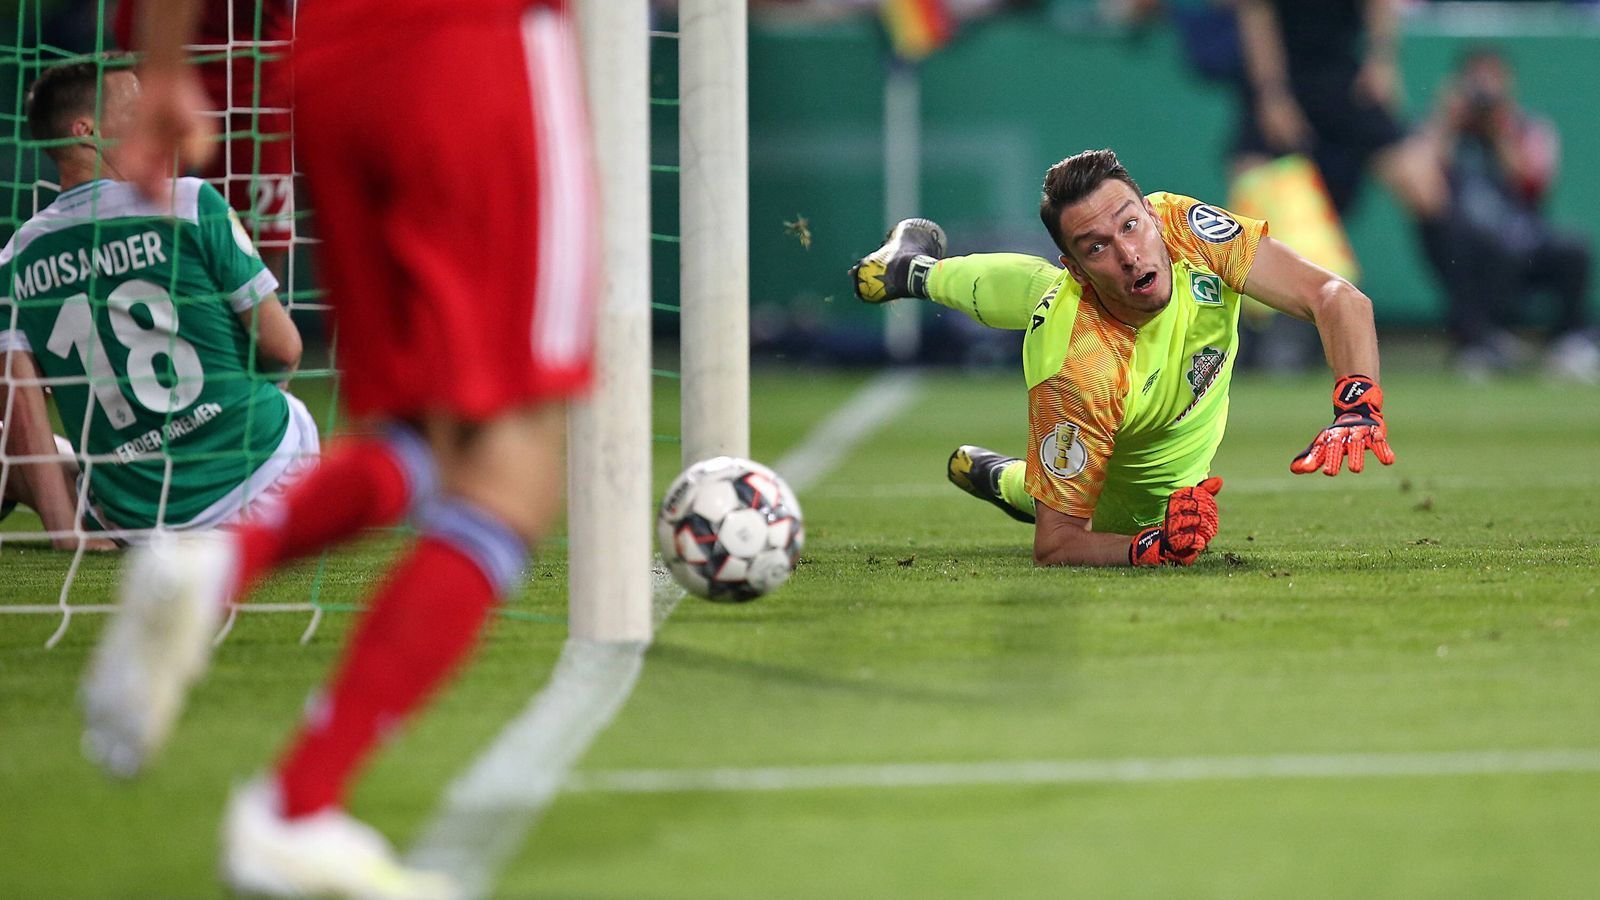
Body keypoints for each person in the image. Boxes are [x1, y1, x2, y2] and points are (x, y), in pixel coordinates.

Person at [79, 0, 597, 897]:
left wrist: (163, 67)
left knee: (421, 436)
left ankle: (211, 568)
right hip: (477, 48)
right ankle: (296, 804)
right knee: (511, 471)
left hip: (328, 62)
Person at [852, 148, 1394, 567]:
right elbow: (1057, 544)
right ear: (1079, 266)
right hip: (1133, 483)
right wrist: (1150, 545)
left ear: (1150, 213)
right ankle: (1007, 480)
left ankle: (913, 270)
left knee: (1044, 289)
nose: (1130, 254)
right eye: (1097, 247)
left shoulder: (1185, 227)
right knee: (1071, 486)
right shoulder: (1076, 371)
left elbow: (1336, 297)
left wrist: (1358, 400)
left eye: (1131, 224)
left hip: (1116, 364)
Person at [1, 59, 308, 550]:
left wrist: (64, 533)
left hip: (139, 522)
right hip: (272, 482)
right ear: (87, 131)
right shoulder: (187, 202)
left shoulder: (14, 260)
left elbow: (21, 412)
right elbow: (284, 350)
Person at [1231, 0, 1464, 370]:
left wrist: (1382, 60)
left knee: (1424, 186)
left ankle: (1474, 330)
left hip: (1344, 79)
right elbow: (1255, 16)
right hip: (1280, 82)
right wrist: (1272, 95)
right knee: (1251, 196)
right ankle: (1253, 339)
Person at [1423, 47, 1598, 381]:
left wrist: (1499, 128)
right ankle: (1480, 341)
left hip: (1522, 240)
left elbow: (1531, 184)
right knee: (1474, 244)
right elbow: (1423, 186)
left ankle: (1569, 339)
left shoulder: (1529, 129)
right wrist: (1447, 121)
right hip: (1467, 249)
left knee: (1573, 247)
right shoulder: (1441, 130)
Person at [113, 0, 297, 278]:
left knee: (261, 244)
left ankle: (262, 318)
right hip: (158, 49)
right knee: (139, 227)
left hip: (257, 55)